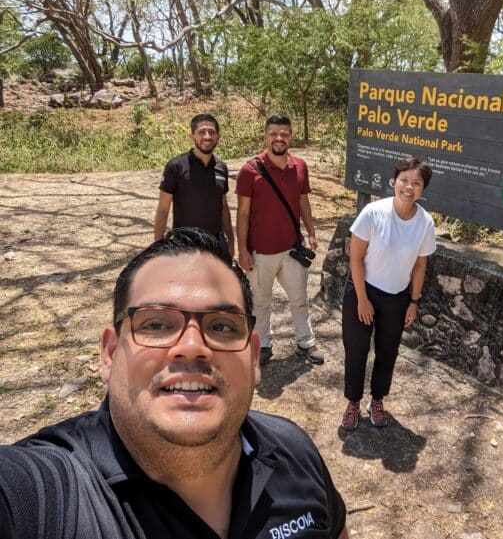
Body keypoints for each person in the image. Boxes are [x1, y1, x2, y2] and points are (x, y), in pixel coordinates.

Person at [0, 228, 349, 539]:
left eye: (222, 326)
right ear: (110, 353)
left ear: (254, 357)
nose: (192, 348)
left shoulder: (296, 453)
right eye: (155, 325)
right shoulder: (47, 496)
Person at [340, 157, 436, 430]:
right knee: (356, 351)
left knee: (387, 352)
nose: (409, 187)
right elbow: (355, 259)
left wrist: (413, 302)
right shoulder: (373, 212)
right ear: (395, 181)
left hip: (397, 297)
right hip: (363, 290)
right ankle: (352, 402)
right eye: (404, 180)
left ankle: (378, 400)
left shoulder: (425, 223)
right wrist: (362, 300)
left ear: (422, 189)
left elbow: (420, 265)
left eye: (416, 183)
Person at [236, 115, 323, 366]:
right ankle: (262, 343)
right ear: (265, 137)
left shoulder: (300, 166)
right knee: (261, 301)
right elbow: (242, 213)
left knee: (299, 298)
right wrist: (242, 249)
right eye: (273, 133)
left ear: (290, 137)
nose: (279, 138)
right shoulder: (249, 171)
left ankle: (306, 341)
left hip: (291, 248)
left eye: (284, 133)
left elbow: (303, 201)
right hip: (260, 251)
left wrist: (312, 232)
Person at [154, 114, 235, 257]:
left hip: (216, 243)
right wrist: (157, 247)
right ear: (192, 136)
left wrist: (231, 240)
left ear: (218, 137)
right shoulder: (176, 166)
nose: (207, 136)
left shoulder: (221, 167)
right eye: (202, 132)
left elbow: (223, 206)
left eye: (212, 132)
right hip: (185, 245)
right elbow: (163, 208)